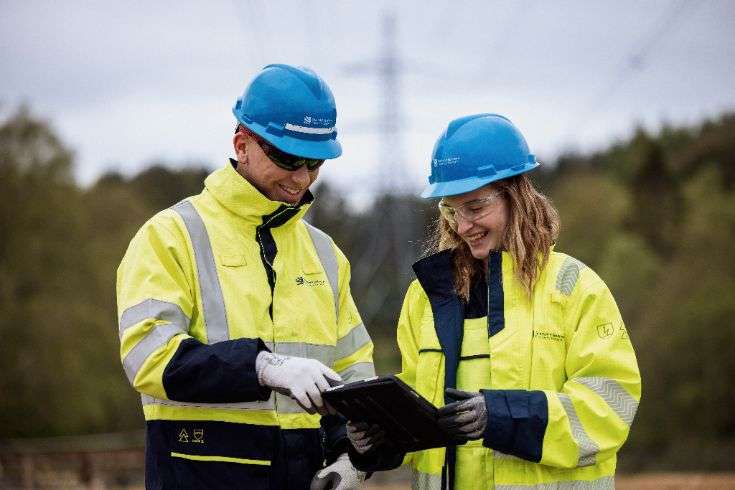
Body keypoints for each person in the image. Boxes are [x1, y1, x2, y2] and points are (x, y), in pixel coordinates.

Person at [347, 114, 641, 489]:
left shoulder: (575, 288)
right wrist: (375, 440)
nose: (462, 226)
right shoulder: (426, 297)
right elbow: (417, 411)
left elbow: (610, 407)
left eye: (475, 208)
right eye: (451, 210)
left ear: (516, 197)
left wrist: (503, 417)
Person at [117, 64, 374, 489]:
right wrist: (263, 367)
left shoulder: (326, 254)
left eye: (315, 163)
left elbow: (354, 370)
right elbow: (148, 356)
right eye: (288, 158)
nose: (301, 178)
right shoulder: (171, 236)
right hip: (199, 473)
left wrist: (352, 457)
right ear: (243, 144)